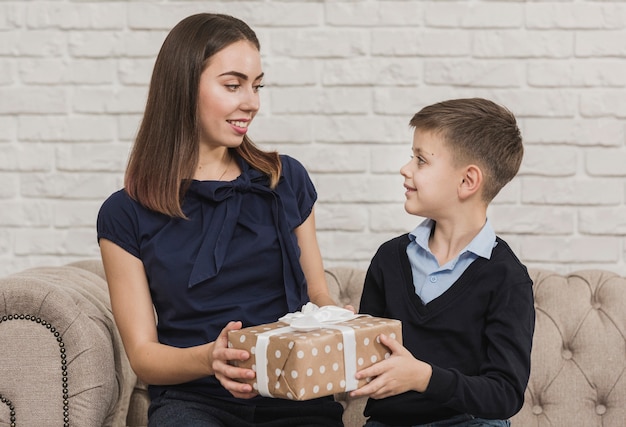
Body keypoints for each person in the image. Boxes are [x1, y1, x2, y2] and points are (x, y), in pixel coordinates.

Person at [96, 13, 345, 427]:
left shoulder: (286, 179)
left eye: (257, 85)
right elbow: (144, 356)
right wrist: (210, 358)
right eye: (233, 85)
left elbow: (317, 291)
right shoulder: (125, 213)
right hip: (195, 402)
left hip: (293, 394)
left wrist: (338, 323)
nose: (251, 102)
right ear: (183, 89)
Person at [349, 98, 535, 427]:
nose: (405, 169)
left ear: (467, 181)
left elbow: (504, 395)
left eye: (421, 160)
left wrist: (423, 377)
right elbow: (369, 366)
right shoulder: (389, 259)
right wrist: (344, 335)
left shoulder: (507, 279)